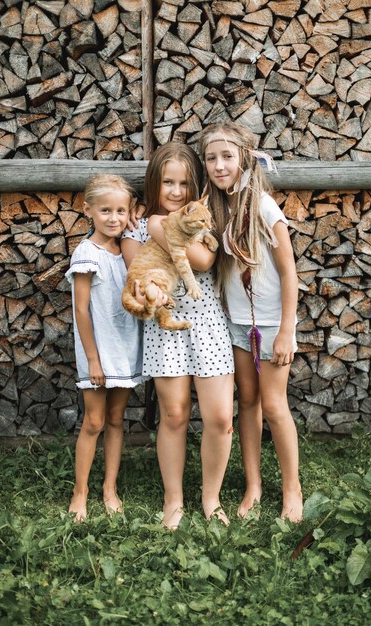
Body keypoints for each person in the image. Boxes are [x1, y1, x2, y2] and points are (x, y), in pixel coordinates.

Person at [121, 143, 235, 529]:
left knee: (220, 418)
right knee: (174, 414)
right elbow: (136, 272)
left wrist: (163, 228)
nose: (175, 191)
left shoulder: (200, 219)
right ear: (155, 183)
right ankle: (174, 500)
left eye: (184, 183)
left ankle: (211, 498)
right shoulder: (137, 227)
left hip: (206, 322)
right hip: (165, 325)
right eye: (167, 182)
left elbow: (203, 260)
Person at [198, 121, 303, 522]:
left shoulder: (262, 205)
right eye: (211, 158)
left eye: (227, 156)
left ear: (244, 157)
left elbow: (288, 271)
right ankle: (253, 485)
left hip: (272, 324)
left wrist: (286, 331)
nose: (220, 165)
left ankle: (292, 488)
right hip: (237, 324)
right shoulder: (218, 206)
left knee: (275, 405)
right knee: (248, 403)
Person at [66, 174, 145, 522]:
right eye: (105, 211)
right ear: (88, 211)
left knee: (116, 419)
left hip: (125, 347)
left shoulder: (127, 252)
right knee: (94, 421)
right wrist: (93, 359)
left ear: (130, 213)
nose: (113, 218)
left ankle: (109, 488)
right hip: (98, 352)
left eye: (120, 211)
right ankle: (79, 492)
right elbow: (81, 309)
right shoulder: (87, 253)